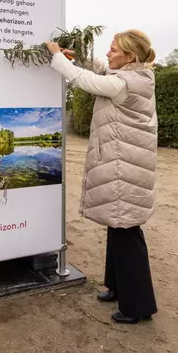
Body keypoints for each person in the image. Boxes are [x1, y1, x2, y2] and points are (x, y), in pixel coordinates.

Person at [46, 29, 158, 324]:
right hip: (122, 165)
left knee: (125, 231)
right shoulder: (133, 75)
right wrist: (78, 55)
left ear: (130, 56)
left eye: (113, 49)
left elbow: (87, 80)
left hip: (124, 169)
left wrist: (58, 57)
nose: (108, 53)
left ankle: (138, 306)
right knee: (118, 227)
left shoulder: (125, 83)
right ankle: (117, 287)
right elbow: (100, 67)